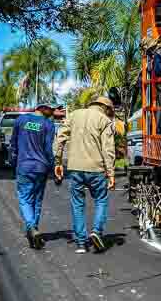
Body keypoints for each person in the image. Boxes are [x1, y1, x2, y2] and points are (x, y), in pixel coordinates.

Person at [53, 96, 117, 254]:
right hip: (96, 169)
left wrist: (58, 162)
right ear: (106, 109)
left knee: (77, 204)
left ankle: (81, 242)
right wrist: (111, 173)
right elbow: (108, 150)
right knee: (101, 200)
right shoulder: (104, 120)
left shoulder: (74, 115)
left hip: (75, 168)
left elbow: (60, 138)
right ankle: (96, 231)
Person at [9, 103, 56, 250]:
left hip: (24, 166)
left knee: (24, 198)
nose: (53, 112)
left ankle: (31, 227)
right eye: (51, 110)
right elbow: (49, 149)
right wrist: (52, 166)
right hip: (41, 167)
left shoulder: (21, 120)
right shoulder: (48, 124)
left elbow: (13, 144)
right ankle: (34, 229)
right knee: (37, 200)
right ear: (44, 109)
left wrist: (13, 161)